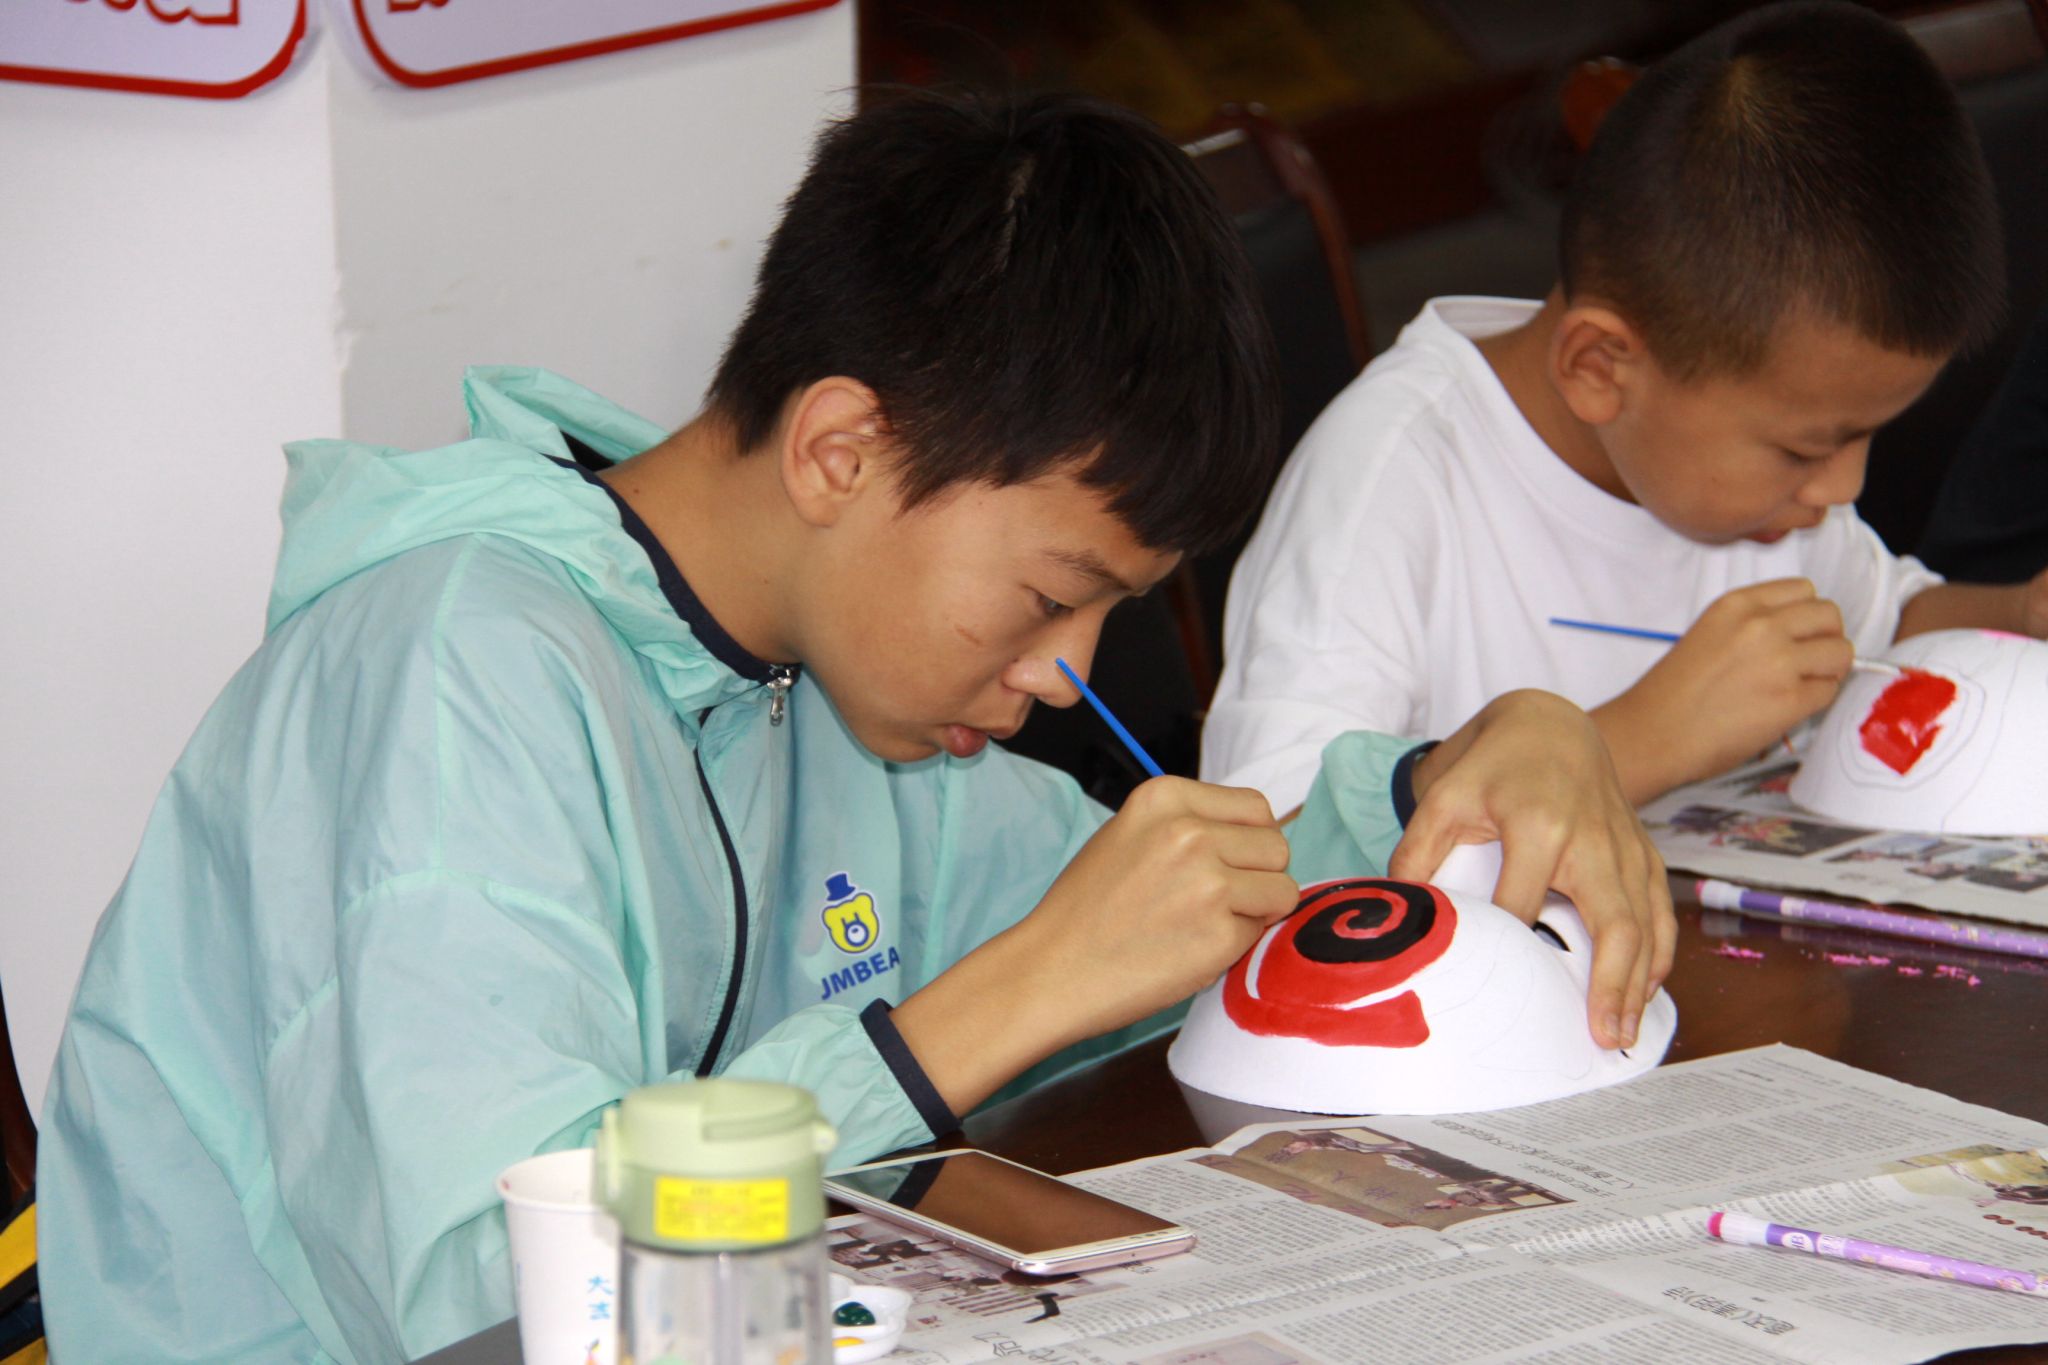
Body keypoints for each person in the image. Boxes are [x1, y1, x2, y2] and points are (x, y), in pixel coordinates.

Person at [36, 91, 1668, 1363]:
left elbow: (1196, 919)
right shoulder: (447, 679)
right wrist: (996, 1004)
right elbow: (487, 1294)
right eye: (1051, 596)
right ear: (839, 452)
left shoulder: (838, 694)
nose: (1064, 675)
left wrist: (1472, 766)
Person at [1203, 1, 2048, 814]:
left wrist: (2019, 613)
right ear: (1600, 368)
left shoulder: (1761, 495)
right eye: (1805, 449)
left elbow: (1881, 621)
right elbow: (1273, 845)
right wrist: (1644, 738)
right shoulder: (1391, 486)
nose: (1841, 488)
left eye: (1865, 437)